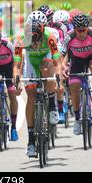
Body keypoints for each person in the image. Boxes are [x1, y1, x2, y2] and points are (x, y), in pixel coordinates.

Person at [13, 11, 62, 157]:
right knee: (31, 96)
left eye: (37, 38)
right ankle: (31, 141)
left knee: (48, 68)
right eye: (31, 38)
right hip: (31, 63)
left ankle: (52, 105)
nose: (34, 42)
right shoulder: (21, 39)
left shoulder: (50, 37)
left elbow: (58, 62)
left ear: (42, 31)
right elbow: (16, 66)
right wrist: (16, 82)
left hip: (46, 59)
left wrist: (58, 79)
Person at [61, 14, 92, 135]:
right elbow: (63, 56)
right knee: (74, 86)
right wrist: (64, 67)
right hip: (76, 60)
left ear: (87, 28)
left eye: (84, 30)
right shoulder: (69, 37)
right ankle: (77, 119)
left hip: (91, 58)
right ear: (74, 29)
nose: (81, 33)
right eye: (78, 30)